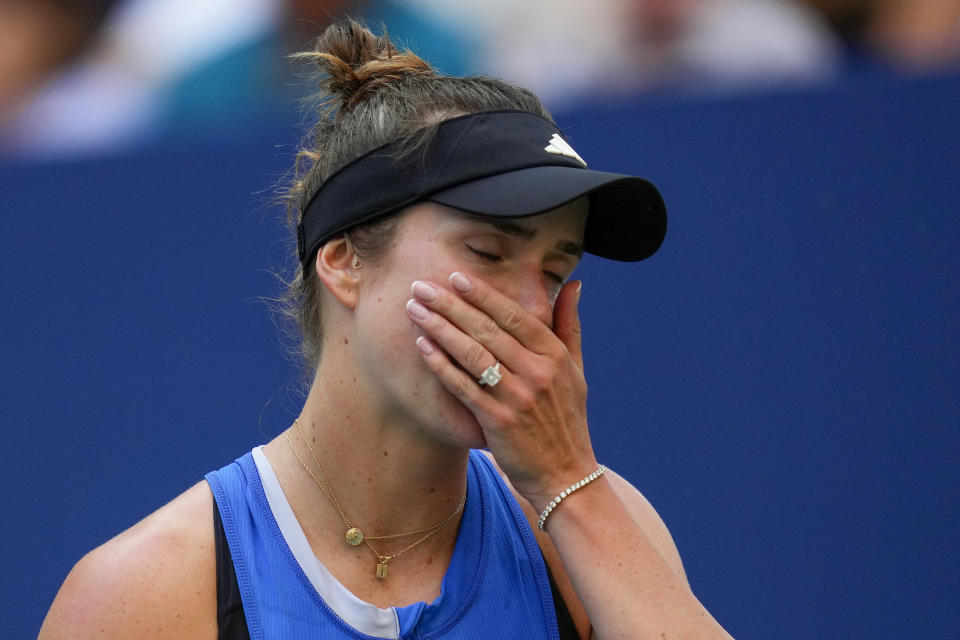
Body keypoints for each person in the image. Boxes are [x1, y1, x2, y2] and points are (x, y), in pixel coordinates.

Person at [39, 19, 734, 640]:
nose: (530, 308)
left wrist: (565, 480)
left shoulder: (591, 525)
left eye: (555, 271)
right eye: (488, 253)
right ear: (343, 260)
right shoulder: (143, 594)